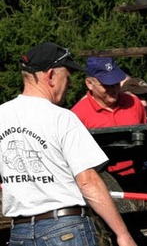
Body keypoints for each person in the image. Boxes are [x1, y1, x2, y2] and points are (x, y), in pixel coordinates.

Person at [0, 42, 137, 246]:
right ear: (51, 75)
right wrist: (122, 233)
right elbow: (88, 181)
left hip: (19, 233)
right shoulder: (62, 118)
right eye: (67, 76)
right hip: (66, 230)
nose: (71, 84)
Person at [72, 57, 146, 176]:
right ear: (89, 84)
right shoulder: (77, 115)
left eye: (116, 83)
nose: (113, 89)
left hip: (138, 179)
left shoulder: (134, 103)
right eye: (106, 85)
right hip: (102, 182)